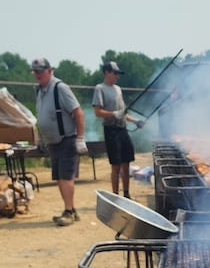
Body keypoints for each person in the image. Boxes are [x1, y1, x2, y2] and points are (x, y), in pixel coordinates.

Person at [31, 57, 87, 226]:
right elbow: (43, 116)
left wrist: (80, 138)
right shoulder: (40, 91)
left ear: (49, 70)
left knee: (66, 177)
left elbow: (78, 113)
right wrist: (41, 137)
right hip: (52, 141)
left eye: (40, 71)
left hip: (66, 139)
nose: (37, 74)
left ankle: (68, 212)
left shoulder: (60, 88)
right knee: (58, 178)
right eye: (35, 72)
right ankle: (70, 209)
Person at [92, 60, 145, 198]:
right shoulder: (100, 88)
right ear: (107, 73)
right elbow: (98, 112)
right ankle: (115, 195)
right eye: (115, 73)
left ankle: (126, 194)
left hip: (123, 129)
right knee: (115, 164)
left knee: (126, 162)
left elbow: (123, 112)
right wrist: (114, 114)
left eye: (118, 74)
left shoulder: (118, 89)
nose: (117, 76)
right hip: (111, 130)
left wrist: (135, 121)